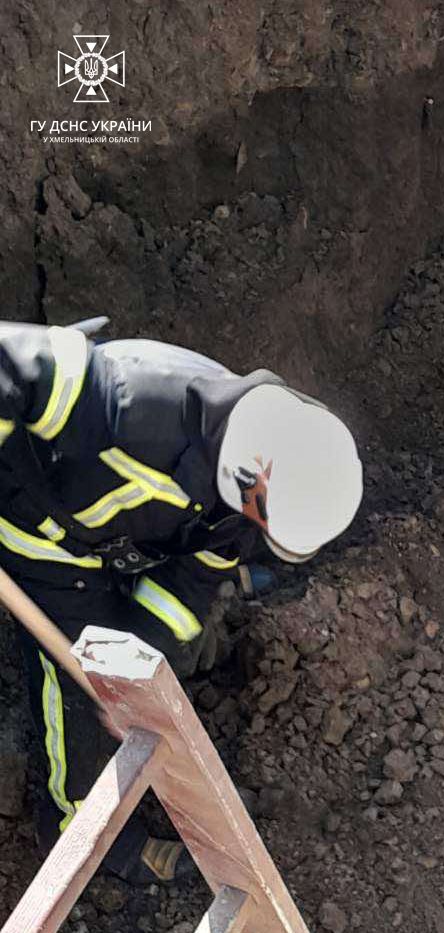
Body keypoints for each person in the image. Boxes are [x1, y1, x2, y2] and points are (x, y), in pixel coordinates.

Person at [0, 322, 363, 884]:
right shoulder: (132, 401)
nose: (257, 536)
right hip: (44, 539)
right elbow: (9, 361)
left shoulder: (245, 498)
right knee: (78, 675)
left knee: (124, 663)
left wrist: (136, 667)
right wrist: (102, 679)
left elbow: (191, 582)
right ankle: (76, 825)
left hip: (118, 541)